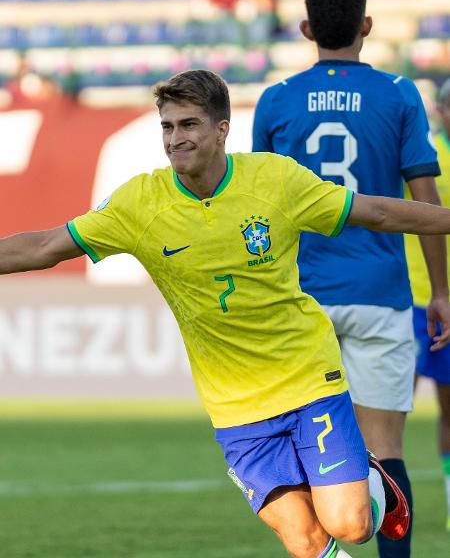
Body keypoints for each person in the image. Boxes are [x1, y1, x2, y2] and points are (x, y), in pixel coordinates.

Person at [5, 70, 450, 558]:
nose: (177, 139)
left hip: (307, 379)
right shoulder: (139, 203)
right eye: (168, 127)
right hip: (235, 405)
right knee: (305, 542)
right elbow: (46, 246)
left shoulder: (275, 181)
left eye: (189, 124)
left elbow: (378, 214)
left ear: (222, 129)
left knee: (350, 526)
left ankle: (377, 486)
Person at [252, 0, 450, 558]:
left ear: (307, 29)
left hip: (302, 298)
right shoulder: (399, 94)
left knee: (305, 451)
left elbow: (258, 209)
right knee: (386, 451)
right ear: (366, 26)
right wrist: (441, 290)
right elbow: (424, 204)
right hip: (380, 294)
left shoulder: (277, 99)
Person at [405, 78, 450, 532]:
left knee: (449, 408)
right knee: (389, 407)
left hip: (445, 304)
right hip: (412, 300)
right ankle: (376, 498)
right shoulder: (423, 157)